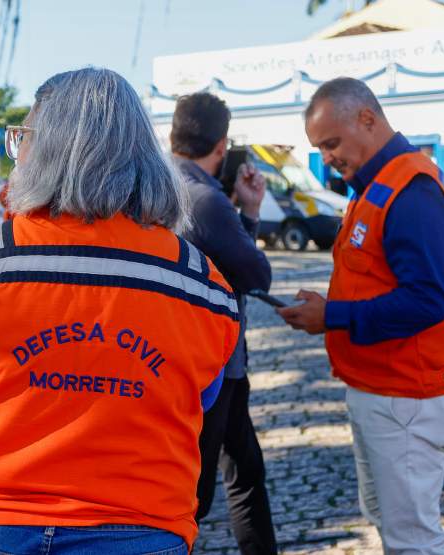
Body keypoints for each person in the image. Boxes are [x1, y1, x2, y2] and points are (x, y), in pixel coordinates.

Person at [0, 68, 240, 554]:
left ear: (44, 151)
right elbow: (204, 394)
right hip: (138, 526)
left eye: (23, 137)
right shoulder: (202, 284)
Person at [277, 77, 444, 555]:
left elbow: (426, 301)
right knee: (389, 521)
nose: (327, 158)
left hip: (408, 392)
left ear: (367, 119)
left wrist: (332, 316)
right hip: (383, 387)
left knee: (412, 539)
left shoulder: (411, 190)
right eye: (320, 149)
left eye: (331, 143)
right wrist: (329, 309)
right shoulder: (375, 186)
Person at [169, 92, 277, 555]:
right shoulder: (205, 200)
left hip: (177, 354)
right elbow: (255, 273)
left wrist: (243, 211)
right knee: (200, 491)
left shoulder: (155, 185)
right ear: (221, 145)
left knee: (245, 468)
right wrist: (248, 213)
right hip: (215, 362)